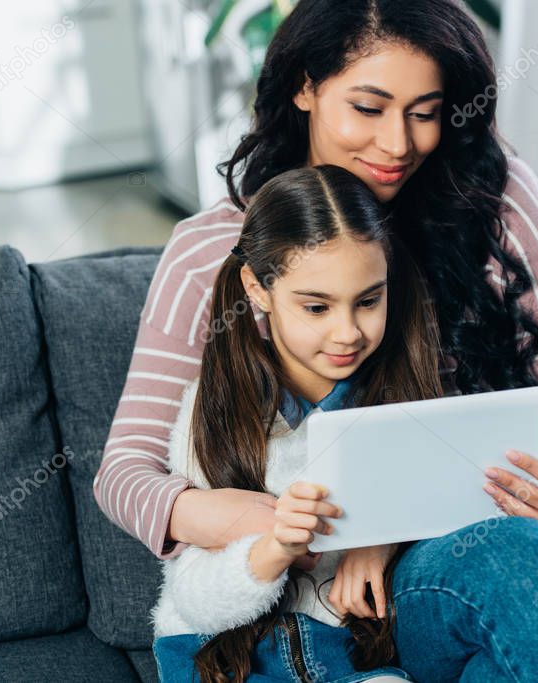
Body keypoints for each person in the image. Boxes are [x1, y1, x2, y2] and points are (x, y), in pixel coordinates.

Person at [96, 0, 538, 678]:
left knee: (510, 609)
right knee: (505, 566)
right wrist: (248, 519)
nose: (396, 144)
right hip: (410, 585)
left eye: (424, 112)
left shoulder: (496, 199)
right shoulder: (212, 252)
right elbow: (125, 471)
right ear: (303, 86)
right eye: (368, 107)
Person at [152, 164, 438, 682]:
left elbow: (449, 503)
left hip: (344, 649)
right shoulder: (215, 407)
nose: (347, 332)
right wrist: (274, 549)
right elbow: (195, 600)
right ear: (258, 290)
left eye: (369, 301)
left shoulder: (402, 394)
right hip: (220, 655)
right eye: (316, 307)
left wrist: (382, 539)